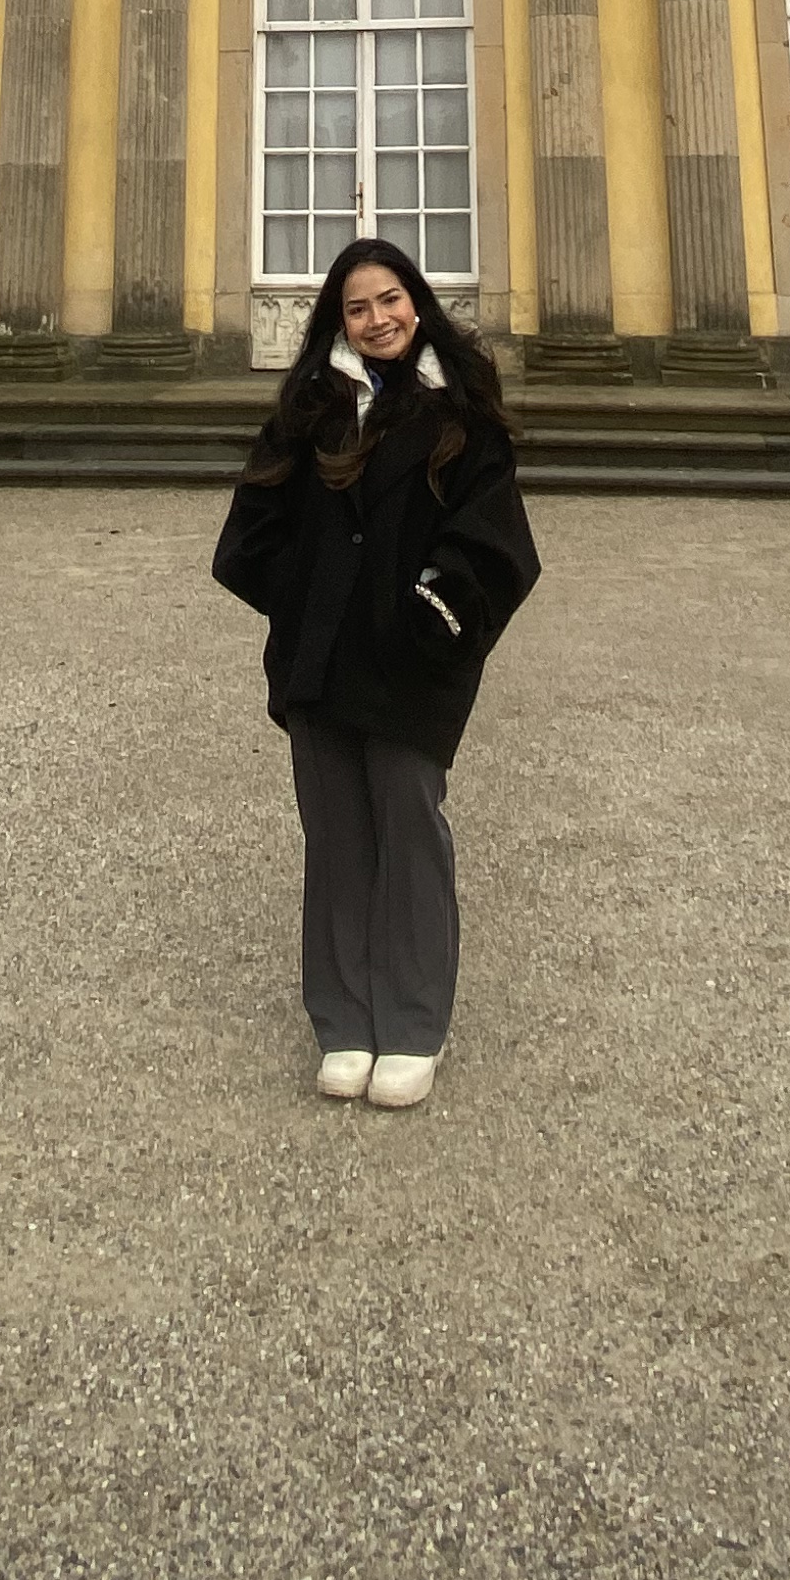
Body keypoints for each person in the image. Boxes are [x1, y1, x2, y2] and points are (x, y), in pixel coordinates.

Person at [212, 239, 540, 1111]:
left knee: (407, 826)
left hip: (412, 662)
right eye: (357, 308)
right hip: (321, 663)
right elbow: (249, 533)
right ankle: (344, 1019)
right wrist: (314, 600)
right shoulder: (311, 409)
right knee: (336, 837)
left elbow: (495, 539)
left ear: (417, 303)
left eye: (389, 299)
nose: (377, 319)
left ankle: (415, 1019)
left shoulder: (460, 409)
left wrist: (430, 610)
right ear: (339, 322)